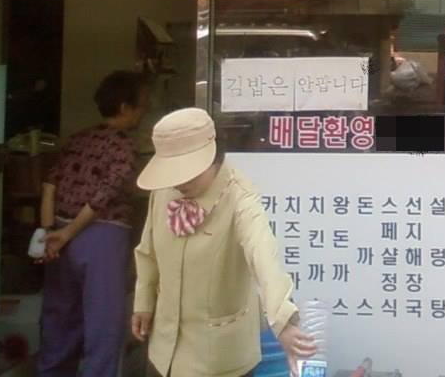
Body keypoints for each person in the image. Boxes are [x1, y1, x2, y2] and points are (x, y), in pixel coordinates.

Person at [131, 108, 317, 377]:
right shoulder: (163, 190)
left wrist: (284, 323)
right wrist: (144, 303)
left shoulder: (240, 197)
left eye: (188, 173)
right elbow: (147, 251)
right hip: (164, 350)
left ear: (214, 158)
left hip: (219, 359)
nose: (179, 182)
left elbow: (263, 257)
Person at [37, 70, 150, 377]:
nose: (144, 112)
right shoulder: (124, 147)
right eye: (142, 106)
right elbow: (105, 195)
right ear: (125, 108)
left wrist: (50, 232)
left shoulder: (77, 139)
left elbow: (49, 185)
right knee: (103, 322)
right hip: (103, 236)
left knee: (60, 318)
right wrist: (69, 232)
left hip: (59, 235)